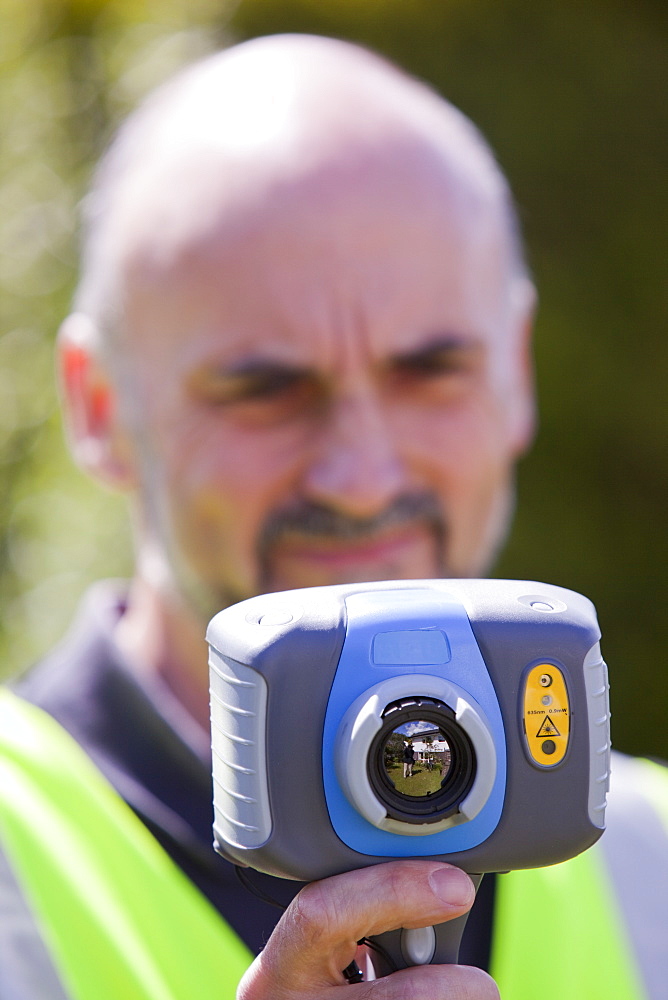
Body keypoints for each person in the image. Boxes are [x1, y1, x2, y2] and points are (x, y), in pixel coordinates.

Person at [4, 31, 668, 1000]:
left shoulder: (650, 869)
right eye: (264, 389)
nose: (360, 476)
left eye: (427, 370)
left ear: (514, 371)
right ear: (99, 407)